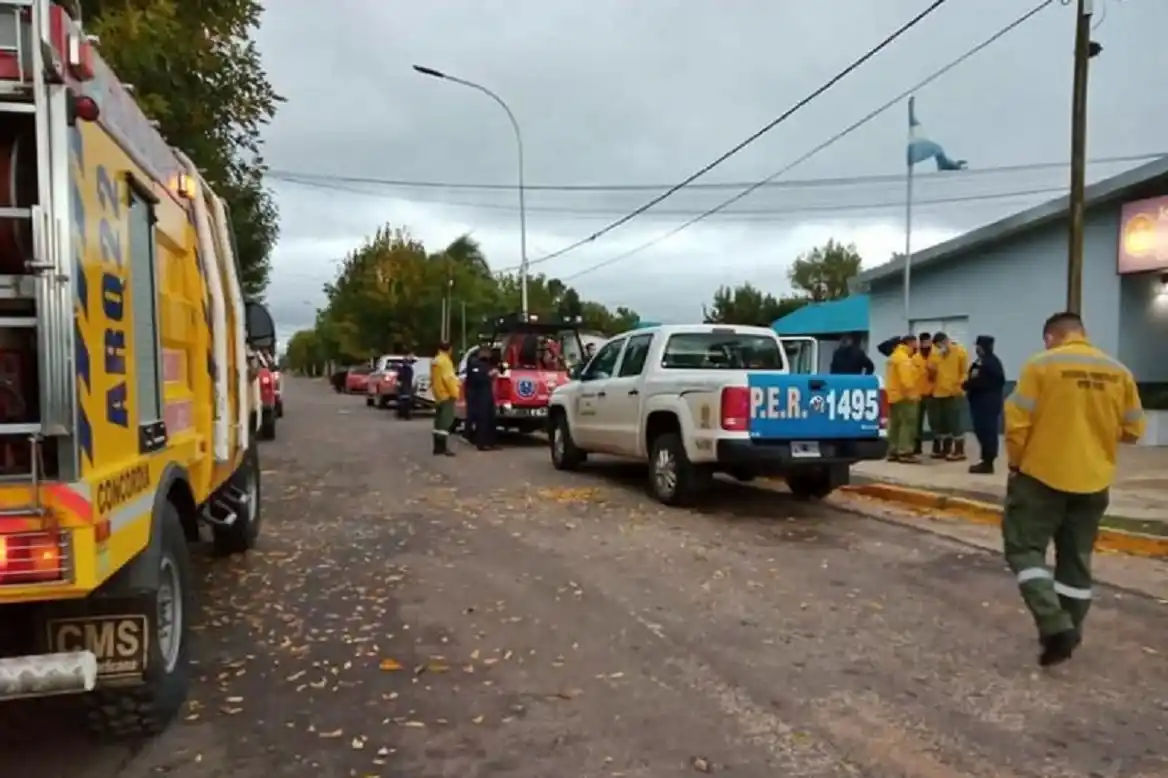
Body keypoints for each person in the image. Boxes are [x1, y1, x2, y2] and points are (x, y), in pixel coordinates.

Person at [1002, 311, 1144, 667]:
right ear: (1083, 333)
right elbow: (1134, 429)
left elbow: (1016, 425)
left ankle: (1054, 624)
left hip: (1041, 477)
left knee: (1023, 548)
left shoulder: (1041, 366)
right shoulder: (1118, 371)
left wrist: (1016, 464)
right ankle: (1069, 634)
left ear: (1051, 337)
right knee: (1076, 561)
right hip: (1094, 480)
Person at [964, 335, 1006, 473]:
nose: (976, 349)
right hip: (979, 403)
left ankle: (988, 463)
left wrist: (969, 385)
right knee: (981, 431)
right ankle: (985, 460)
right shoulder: (981, 361)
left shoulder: (991, 363)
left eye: (978, 346)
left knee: (987, 432)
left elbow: (987, 382)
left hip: (987, 404)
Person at [926, 333, 968, 460]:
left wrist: (958, 386)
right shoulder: (935, 354)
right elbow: (931, 370)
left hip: (954, 393)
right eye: (937, 345)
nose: (940, 347)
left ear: (946, 341)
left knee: (955, 422)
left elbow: (965, 373)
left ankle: (959, 451)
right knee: (942, 423)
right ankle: (945, 449)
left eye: (941, 344)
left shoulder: (960, 352)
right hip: (938, 393)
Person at [884, 334, 922, 463]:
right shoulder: (903, 358)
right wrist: (912, 393)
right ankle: (905, 452)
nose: (917, 346)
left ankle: (893, 450)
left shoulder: (895, 356)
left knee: (895, 424)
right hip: (905, 396)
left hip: (894, 395)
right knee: (908, 423)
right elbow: (906, 379)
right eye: (915, 343)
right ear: (910, 343)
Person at [463, 344, 499, 451]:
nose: (489, 355)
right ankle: (481, 443)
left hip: (487, 394)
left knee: (490, 418)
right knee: (481, 419)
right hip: (477, 395)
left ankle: (490, 442)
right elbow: (476, 378)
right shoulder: (474, 363)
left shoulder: (487, 364)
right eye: (487, 352)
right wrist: (489, 375)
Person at [430, 341, 460, 456]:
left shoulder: (435, 361)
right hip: (447, 395)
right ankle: (443, 448)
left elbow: (433, 379)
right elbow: (448, 379)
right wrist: (455, 393)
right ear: (450, 349)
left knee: (438, 422)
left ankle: (437, 447)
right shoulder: (446, 362)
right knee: (446, 422)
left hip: (438, 395)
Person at [912, 332, 933, 456]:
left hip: (931, 393)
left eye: (929, 342)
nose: (927, 345)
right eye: (925, 342)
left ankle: (937, 447)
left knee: (933, 421)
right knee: (917, 422)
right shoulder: (915, 358)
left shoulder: (935, 356)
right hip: (918, 394)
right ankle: (917, 446)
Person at [395, 356, 415, 420]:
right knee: (406, 401)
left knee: (402, 401)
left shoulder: (401, 369)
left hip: (403, 386)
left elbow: (399, 378)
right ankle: (406, 415)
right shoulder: (409, 369)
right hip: (407, 386)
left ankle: (401, 414)